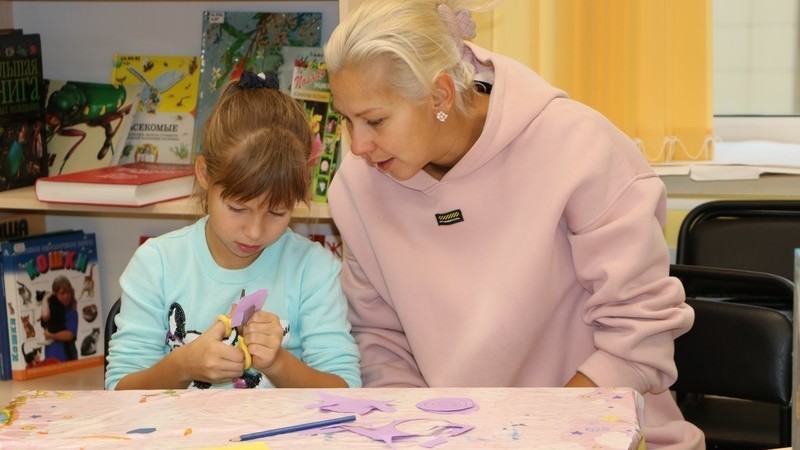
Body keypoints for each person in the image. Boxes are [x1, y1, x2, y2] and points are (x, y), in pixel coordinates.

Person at [323, 0, 703, 448]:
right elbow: (380, 343)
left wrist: (536, 434)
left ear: (440, 95)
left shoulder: (578, 148)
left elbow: (639, 338)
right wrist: (420, 434)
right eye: (347, 120)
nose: (358, 145)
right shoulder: (358, 187)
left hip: (607, 433)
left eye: (375, 120)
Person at [105, 71, 361, 391]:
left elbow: (346, 389)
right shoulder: (156, 264)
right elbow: (119, 390)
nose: (254, 231)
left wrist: (279, 364)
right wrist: (183, 366)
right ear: (204, 174)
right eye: (238, 208)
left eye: (277, 212)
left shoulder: (313, 270)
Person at [40, 275, 78, 361]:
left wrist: (51, 335)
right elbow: (45, 317)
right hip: (51, 354)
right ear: (55, 295)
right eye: (62, 293)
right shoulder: (50, 309)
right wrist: (45, 299)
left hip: (66, 356)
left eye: (68, 292)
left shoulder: (71, 312)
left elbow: (69, 335)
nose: (66, 296)